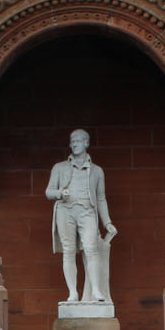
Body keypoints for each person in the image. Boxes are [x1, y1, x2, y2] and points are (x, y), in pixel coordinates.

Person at [46, 128, 117, 305]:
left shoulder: (97, 171)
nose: (75, 144)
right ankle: (72, 293)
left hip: (87, 211)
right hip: (65, 210)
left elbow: (101, 198)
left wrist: (107, 222)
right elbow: (48, 192)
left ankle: (96, 291)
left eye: (78, 140)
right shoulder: (60, 167)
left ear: (86, 143)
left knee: (91, 249)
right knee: (69, 251)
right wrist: (60, 193)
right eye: (72, 141)